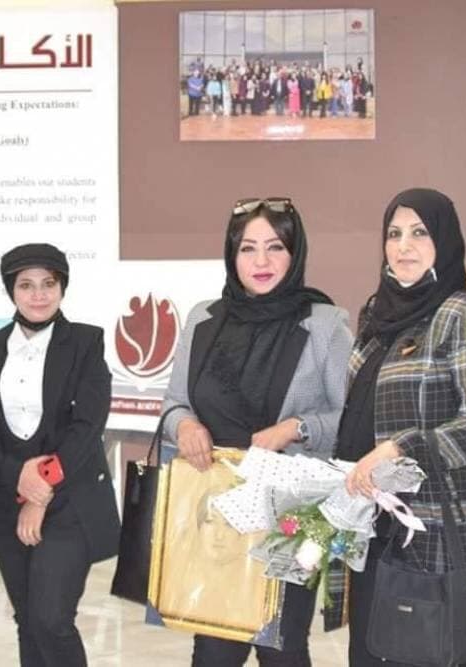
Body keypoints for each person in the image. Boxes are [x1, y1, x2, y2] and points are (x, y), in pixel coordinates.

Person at [161, 197, 352, 666]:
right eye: (248, 248)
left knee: (280, 646)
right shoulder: (203, 319)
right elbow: (173, 404)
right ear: (232, 256)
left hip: (292, 513)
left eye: (275, 247)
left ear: (295, 253)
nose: (261, 261)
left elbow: (350, 421)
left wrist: (296, 428)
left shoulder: (326, 325)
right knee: (213, 648)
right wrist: (185, 424)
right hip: (214, 510)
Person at [326, 188, 466, 666]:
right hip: (373, 528)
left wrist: (399, 448)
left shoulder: (465, 314)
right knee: (369, 654)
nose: (403, 246)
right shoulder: (377, 314)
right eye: (394, 234)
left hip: (433, 535)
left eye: (419, 233)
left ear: (444, 241)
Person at [0, 243, 120, 667]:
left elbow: (87, 427)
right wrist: (18, 476)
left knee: (51, 619)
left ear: (62, 287)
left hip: (69, 501)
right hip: (6, 499)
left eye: (48, 283)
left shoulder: (86, 342)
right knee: (28, 621)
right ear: (11, 291)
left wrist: (39, 490)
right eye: (26, 285)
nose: (38, 295)